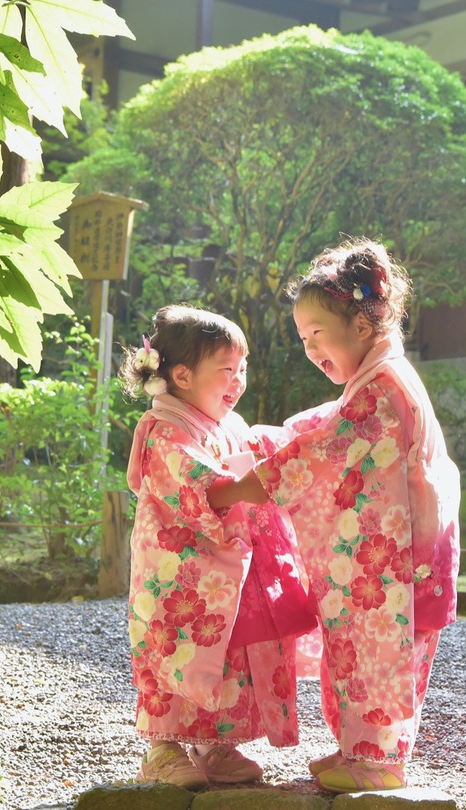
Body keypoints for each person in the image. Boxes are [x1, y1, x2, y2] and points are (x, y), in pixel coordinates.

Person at [208, 239, 461, 793]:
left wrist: (238, 488)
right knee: (356, 646)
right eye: (303, 339)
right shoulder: (378, 380)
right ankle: (358, 748)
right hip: (385, 554)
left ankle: (378, 760)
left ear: (363, 327)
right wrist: (276, 436)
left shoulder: (382, 387)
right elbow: (324, 425)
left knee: (377, 651)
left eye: (317, 334)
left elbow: (321, 449)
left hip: (392, 560)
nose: (309, 348)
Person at [121, 305, 315, 789]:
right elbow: (199, 483)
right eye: (226, 370)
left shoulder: (222, 422)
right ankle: (162, 750)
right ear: (182, 375)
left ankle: (214, 745)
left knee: (226, 652)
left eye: (242, 369)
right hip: (176, 572)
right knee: (175, 649)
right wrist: (251, 485)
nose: (238, 381)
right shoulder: (165, 428)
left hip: (221, 565)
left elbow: (251, 451)